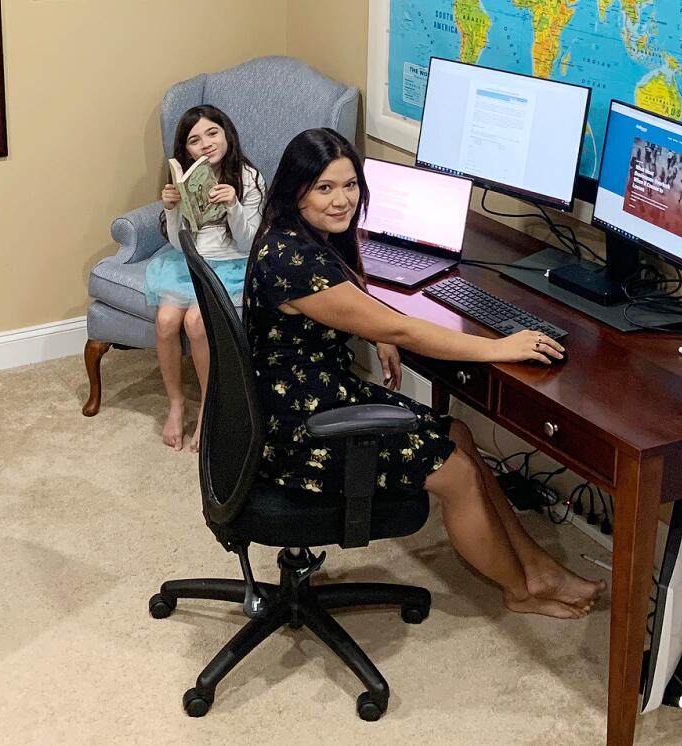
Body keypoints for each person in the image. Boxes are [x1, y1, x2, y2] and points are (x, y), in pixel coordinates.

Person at [244, 129, 604, 619]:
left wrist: (375, 328)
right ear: (296, 190)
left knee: (457, 432)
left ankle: (537, 569)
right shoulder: (293, 260)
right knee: (454, 472)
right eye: (324, 188)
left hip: (309, 393)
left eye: (350, 185)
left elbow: (350, 306)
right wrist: (498, 346)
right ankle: (518, 590)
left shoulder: (297, 237)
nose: (342, 200)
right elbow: (407, 329)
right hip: (298, 428)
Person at [146, 105, 265, 452]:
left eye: (213, 133)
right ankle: (176, 403)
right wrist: (171, 210)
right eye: (195, 140)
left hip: (233, 264)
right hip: (189, 262)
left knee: (197, 322)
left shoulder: (248, 177)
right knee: (166, 320)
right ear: (186, 150)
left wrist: (233, 206)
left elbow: (250, 242)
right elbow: (175, 241)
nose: (206, 144)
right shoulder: (186, 178)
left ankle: (209, 411)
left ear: (227, 133)